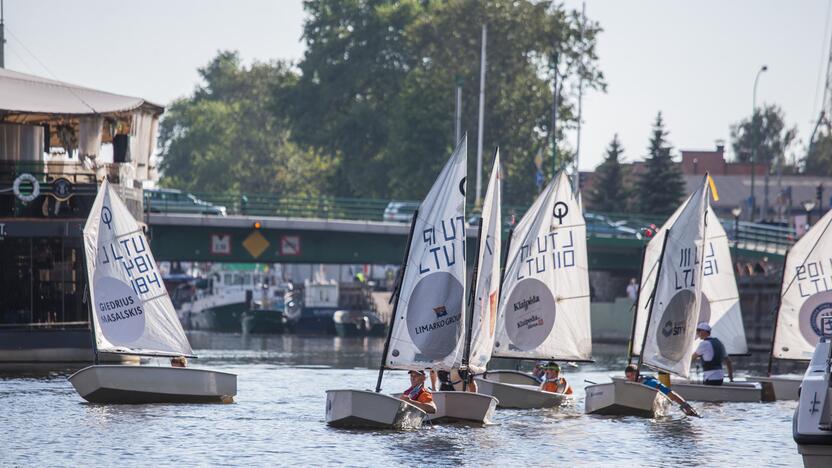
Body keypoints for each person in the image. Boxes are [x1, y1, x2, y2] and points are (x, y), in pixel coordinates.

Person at [624, 364, 699, 417]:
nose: (630, 379)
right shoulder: (627, 384)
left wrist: (686, 407)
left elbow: (672, 395)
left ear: (637, 374)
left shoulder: (651, 383)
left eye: (632, 376)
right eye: (627, 377)